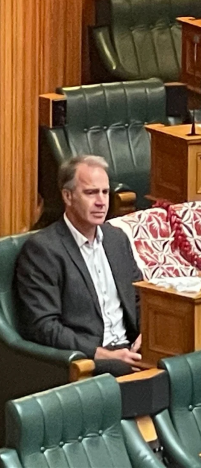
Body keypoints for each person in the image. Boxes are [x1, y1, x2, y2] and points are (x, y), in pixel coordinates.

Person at [15, 155, 144, 376]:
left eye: (105, 192)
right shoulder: (43, 250)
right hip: (88, 357)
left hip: (131, 348)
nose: (101, 202)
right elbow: (43, 326)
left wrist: (147, 334)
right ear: (68, 196)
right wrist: (102, 354)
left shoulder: (116, 239)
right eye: (91, 193)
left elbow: (141, 297)